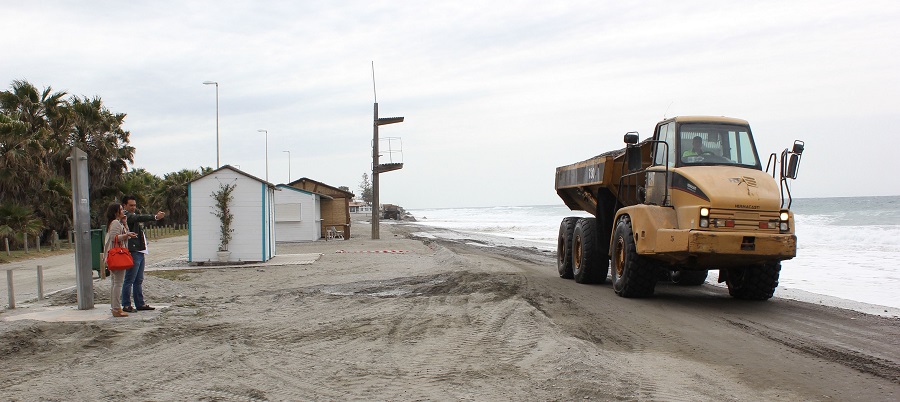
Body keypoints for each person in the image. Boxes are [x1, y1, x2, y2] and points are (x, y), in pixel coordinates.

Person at [121, 195, 165, 312]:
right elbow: (139, 218)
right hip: (133, 251)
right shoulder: (126, 216)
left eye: (134, 205)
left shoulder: (132, 215)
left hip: (140, 250)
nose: (133, 207)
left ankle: (139, 303)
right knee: (129, 279)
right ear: (124, 205)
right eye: (131, 205)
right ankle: (126, 304)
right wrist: (154, 217)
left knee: (138, 280)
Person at [104, 203, 137, 317]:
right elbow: (115, 237)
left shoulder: (117, 223)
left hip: (114, 255)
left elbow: (123, 232)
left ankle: (115, 307)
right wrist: (126, 235)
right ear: (116, 212)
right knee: (118, 283)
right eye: (121, 209)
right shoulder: (115, 223)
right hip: (117, 255)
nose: (123, 211)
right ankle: (116, 308)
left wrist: (125, 223)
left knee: (115, 282)